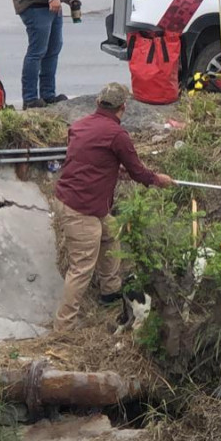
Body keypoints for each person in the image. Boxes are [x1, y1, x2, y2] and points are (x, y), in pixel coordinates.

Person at [53, 83, 174, 332]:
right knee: (81, 268)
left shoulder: (79, 126)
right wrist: (157, 179)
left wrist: (114, 169)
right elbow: (138, 171)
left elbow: (88, 160)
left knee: (110, 234)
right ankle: (63, 326)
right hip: (81, 209)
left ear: (98, 103)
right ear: (123, 107)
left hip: (75, 200)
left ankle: (110, 291)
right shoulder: (117, 135)